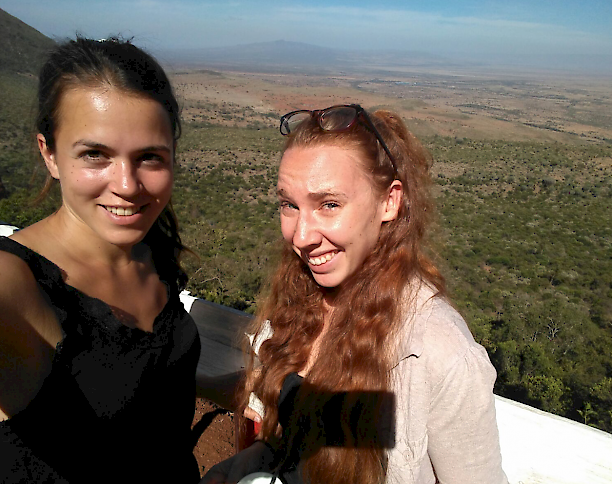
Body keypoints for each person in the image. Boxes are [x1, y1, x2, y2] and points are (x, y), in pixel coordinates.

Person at [202, 105, 507, 484]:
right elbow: (298, 439)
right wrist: (241, 466)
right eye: (289, 205)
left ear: (389, 202)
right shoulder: (303, 298)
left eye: (329, 204)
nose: (301, 237)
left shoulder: (439, 352)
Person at [0, 37, 201, 483]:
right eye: (95, 155)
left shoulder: (152, 251)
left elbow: (152, 375)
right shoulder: (19, 281)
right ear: (49, 153)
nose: (127, 185)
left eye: (149, 157)